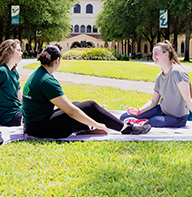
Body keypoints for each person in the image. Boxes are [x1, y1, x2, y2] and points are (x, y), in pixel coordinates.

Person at [22, 45, 150, 138]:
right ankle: (125, 128)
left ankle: (85, 128)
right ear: (57, 61)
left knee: (77, 104)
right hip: (40, 129)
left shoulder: (38, 74)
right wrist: (97, 124)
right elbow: (71, 112)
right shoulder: (47, 81)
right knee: (90, 106)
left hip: (32, 125)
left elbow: (68, 107)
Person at [121, 41, 192, 129]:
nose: (153, 57)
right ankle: (139, 122)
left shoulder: (177, 72)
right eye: (153, 54)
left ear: (166, 54)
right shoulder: (160, 77)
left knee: (154, 121)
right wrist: (138, 111)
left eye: (156, 54)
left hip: (178, 118)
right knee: (124, 117)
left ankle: (140, 124)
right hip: (161, 110)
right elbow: (153, 101)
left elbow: (187, 99)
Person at [0, 39, 23, 126]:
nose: (21, 53)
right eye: (18, 50)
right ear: (9, 53)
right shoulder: (0, 72)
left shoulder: (14, 72)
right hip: (9, 117)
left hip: (20, 111)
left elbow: (20, 99)